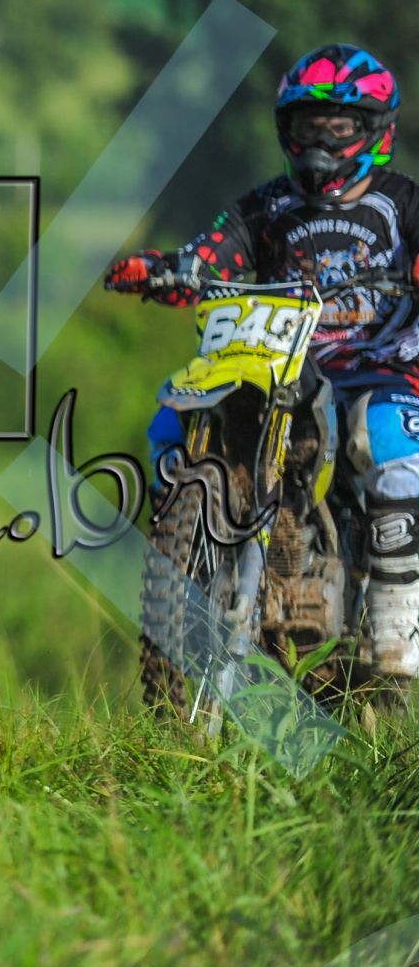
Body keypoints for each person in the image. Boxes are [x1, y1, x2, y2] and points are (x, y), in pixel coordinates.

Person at [105, 43, 419, 683]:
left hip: (380, 367)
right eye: (308, 126)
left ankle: (397, 629)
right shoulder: (268, 206)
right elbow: (212, 252)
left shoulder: (401, 203)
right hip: (283, 365)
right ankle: (190, 555)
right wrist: (166, 269)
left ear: (374, 131)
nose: (320, 143)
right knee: (171, 424)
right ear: (286, 129)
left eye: (338, 127)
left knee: (385, 439)